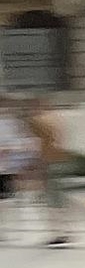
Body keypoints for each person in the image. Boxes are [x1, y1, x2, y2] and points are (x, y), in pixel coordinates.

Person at [27, 94, 70, 247]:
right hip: (60, 160)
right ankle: (65, 231)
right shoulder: (57, 119)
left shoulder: (39, 121)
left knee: (51, 199)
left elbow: (37, 145)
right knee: (59, 198)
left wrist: (36, 166)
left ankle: (59, 233)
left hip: (49, 162)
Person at [0, 97, 30, 239]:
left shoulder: (11, 124)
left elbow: (19, 144)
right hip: (8, 167)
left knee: (6, 197)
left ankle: (5, 227)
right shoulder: (12, 124)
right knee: (6, 198)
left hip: (7, 167)